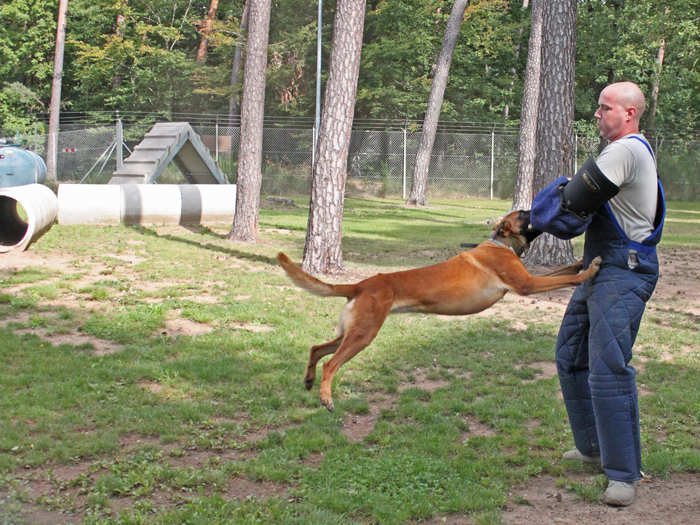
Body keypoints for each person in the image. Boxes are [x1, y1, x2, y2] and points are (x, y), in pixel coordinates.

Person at [529, 81, 666, 506]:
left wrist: (537, 213)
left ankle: (623, 474)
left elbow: (570, 205)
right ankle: (591, 448)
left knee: (608, 368)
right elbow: (573, 209)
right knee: (571, 355)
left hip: (625, 270)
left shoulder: (625, 150)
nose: (597, 113)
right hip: (602, 267)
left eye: (605, 107)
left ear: (629, 113)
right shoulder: (620, 150)